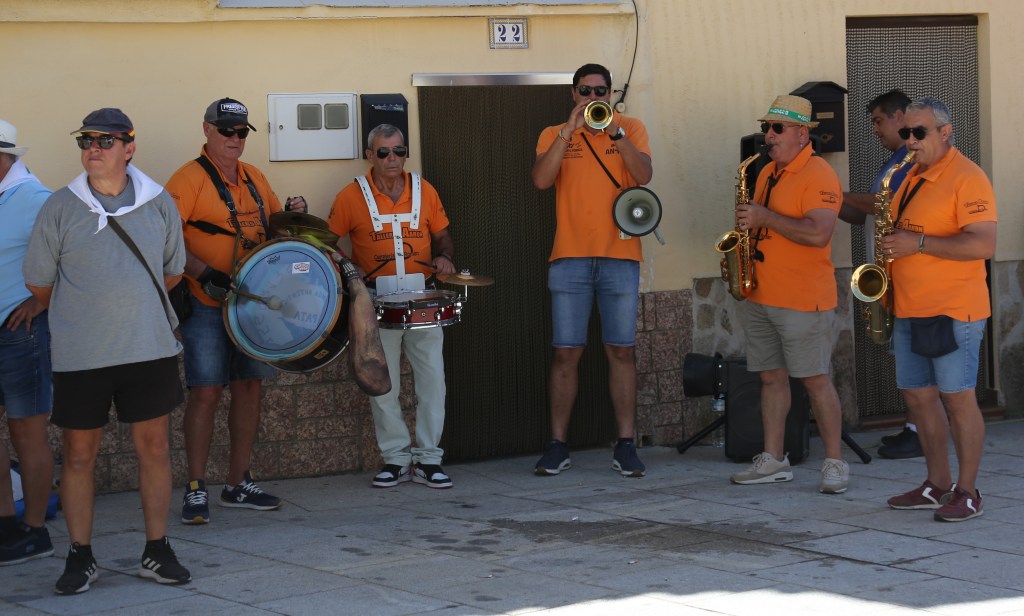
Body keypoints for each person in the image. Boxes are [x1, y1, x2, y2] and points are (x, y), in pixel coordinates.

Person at [23, 108, 191, 593]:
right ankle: (80, 556)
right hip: (82, 354)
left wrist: (128, 307)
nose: (93, 148)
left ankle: (157, 550)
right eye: (86, 140)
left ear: (129, 148)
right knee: (79, 455)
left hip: (148, 347)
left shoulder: (159, 202)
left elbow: (172, 271)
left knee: (155, 449)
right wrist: (87, 313)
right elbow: (39, 282)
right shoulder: (59, 206)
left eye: (105, 140)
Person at [166, 98, 308, 524]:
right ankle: (195, 487)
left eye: (242, 132)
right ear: (207, 130)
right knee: (206, 392)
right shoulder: (187, 178)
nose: (235, 138)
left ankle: (237, 483)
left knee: (249, 388)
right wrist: (202, 272)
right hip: (206, 303)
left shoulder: (255, 177)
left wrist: (294, 216)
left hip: (254, 305)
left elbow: (274, 229)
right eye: (226, 130)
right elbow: (165, 239)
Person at [531, 63, 653, 478]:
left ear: (611, 93)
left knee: (621, 351)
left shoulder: (630, 128)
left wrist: (614, 132)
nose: (593, 98)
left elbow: (644, 175)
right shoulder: (553, 133)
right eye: (585, 91)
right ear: (573, 93)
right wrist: (569, 131)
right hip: (570, 257)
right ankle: (557, 445)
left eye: (600, 91)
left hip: (621, 256)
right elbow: (541, 181)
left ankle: (625, 444)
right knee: (566, 352)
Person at [882, 96, 997, 522]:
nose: (910, 140)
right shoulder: (909, 174)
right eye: (905, 133)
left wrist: (918, 244)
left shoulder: (968, 177)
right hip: (909, 306)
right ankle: (936, 484)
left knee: (958, 399)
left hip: (953, 309)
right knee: (918, 398)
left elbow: (983, 244)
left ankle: (968, 492)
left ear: (946, 133)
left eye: (919, 132)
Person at [729, 95, 850, 494]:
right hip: (762, 293)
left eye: (777, 128)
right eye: (767, 127)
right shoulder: (767, 171)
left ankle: (835, 463)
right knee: (770, 378)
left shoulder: (820, 175)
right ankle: (774, 459)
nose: (769, 135)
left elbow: (818, 233)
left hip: (802, 298)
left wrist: (764, 217)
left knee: (815, 380)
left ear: (802, 134)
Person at [327, 124, 456, 489]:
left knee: (433, 380)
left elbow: (443, 236)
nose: (392, 159)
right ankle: (396, 459)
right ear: (370, 155)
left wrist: (445, 257)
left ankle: (429, 458)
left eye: (399, 151)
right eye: (384, 152)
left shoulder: (425, 190)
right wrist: (349, 267)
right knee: (383, 383)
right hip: (375, 301)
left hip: (423, 298)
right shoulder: (351, 196)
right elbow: (326, 241)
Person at [840, 89, 924, 460]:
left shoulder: (913, 160)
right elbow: (861, 214)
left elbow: (887, 204)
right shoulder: (891, 163)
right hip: (888, 273)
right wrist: (826, 201)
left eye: (878, 121)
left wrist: (836, 194)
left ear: (899, 117)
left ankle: (920, 431)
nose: (874, 130)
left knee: (914, 355)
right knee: (904, 354)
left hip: (909, 273)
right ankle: (913, 426)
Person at [0, 118, 55, 567]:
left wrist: (40, 302)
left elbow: (73, 255)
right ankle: (5, 525)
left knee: (27, 433)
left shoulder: (38, 199)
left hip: (21, 333)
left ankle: (36, 531)